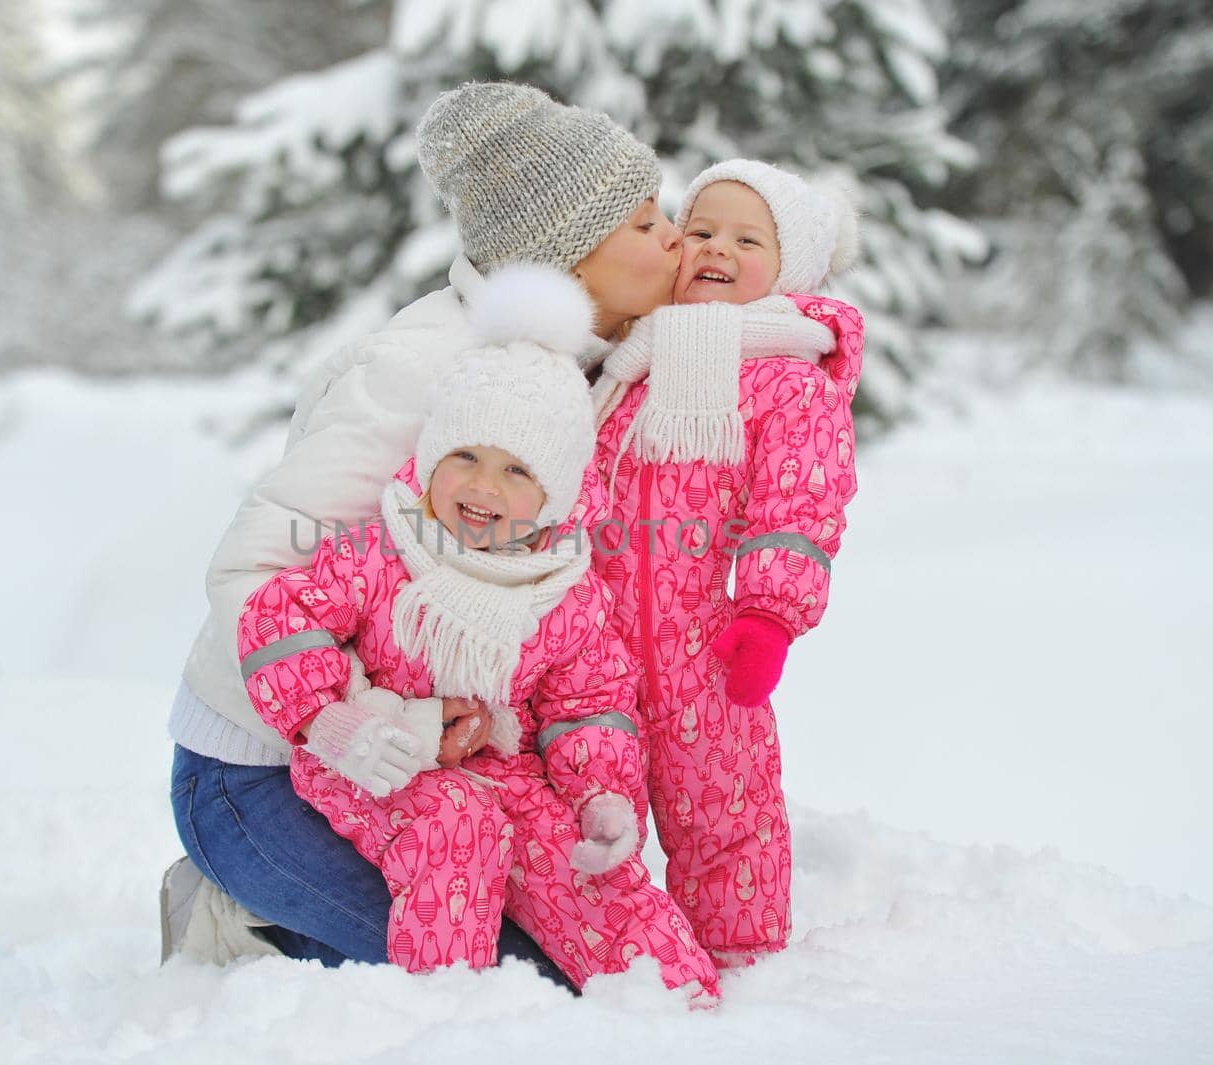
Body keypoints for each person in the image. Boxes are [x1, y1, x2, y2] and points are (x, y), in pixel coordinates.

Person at [162, 82, 681, 974]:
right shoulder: (436, 367)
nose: (672, 238)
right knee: (496, 976)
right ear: (566, 257)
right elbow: (253, 567)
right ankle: (239, 916)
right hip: (261, 770)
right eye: (644, 223)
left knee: (577, 958)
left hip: (430, 778)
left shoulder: (566, 369)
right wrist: (368, 714)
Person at [234, 267, 719, 1000]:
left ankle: (679, 1003)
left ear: (553, 494)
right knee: (456, 824)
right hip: (379, 759)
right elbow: (279, 620)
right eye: (464, 456)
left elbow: (590, 706)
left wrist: (601, 798)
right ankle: (449, 1014)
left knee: (580, 862)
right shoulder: (383, 551)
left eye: (515, 470)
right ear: (431, 458)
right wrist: (331, 721)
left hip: (508, 773)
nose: (482, 487)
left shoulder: (563, 593)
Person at [588, 159, 865, 966]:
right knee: (595, 803)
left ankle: (741, 961)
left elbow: (801, 503)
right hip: (596, 652)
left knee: (724, 811)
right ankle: (620, 958)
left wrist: (769, 615)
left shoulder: (788, 381)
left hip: (710, 652)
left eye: (748, 238)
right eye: (700, 229)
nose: (716, 247)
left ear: (789, 271)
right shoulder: (632, 365)